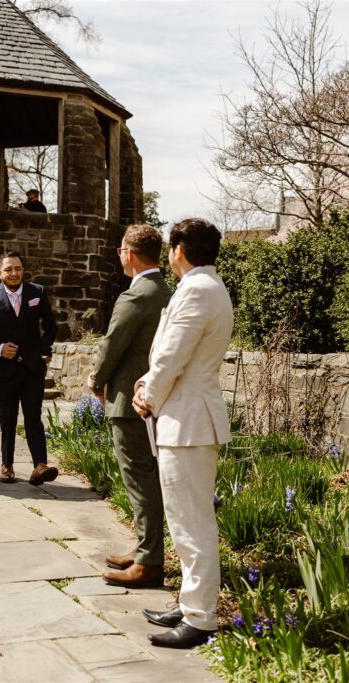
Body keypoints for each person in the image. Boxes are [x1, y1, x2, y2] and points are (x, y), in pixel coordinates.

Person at [132, 218, 234, 649]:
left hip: (188, 421)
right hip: (189, 418)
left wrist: (148, 394)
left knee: (192, 524)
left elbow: (174, 354)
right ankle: (191, 601)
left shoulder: (196, 290)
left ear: (177, 250)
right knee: (185, 521)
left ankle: (200, 619)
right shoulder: (209, 286)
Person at [87, 225, 172, 588]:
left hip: (128, 401)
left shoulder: (136, 296)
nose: (119, 255)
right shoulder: (167, 292)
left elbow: (112, 345)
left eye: (121, 249)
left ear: (131, 254)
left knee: (139, 479)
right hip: (160, 396)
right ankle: (143, 550)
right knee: (149, 477)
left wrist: (95, 379)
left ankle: (149, 562)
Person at [0, 252, 58, 485]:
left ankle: (40, 465)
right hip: (5, 369)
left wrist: (45, 350)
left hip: (33, 367)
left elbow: (51, 326)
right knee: (7, 418)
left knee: (33, 416)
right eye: (9, 269)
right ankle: (7, 465)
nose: (14, 273)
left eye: (18, 269)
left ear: (23, 270)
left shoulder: (37, 292)